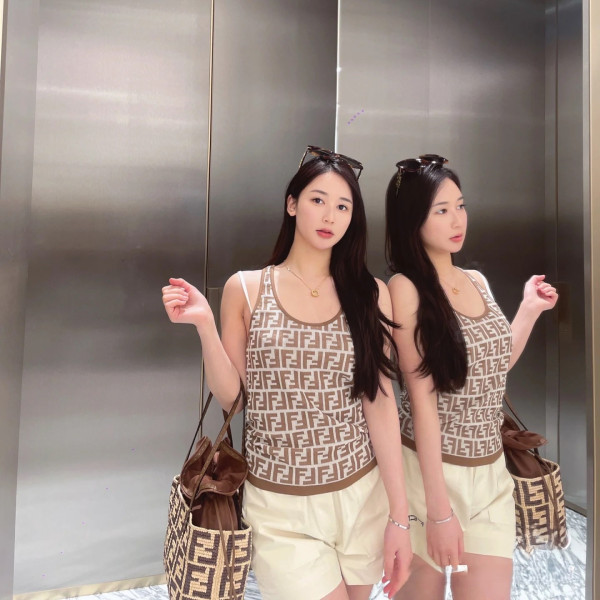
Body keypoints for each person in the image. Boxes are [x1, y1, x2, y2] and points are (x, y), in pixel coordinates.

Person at [162, 146, 413, 600]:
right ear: (292, 204)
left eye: (343, 206)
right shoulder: (246, 288)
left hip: (363, 497)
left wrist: (400, 516)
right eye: (318, 200)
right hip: (281, 509)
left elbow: (380, 405)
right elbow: (234, 399)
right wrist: (204, 326)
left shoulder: (369, 293)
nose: (330, 216)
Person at [384, 154, 558, 600]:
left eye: (460, 206)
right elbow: (422, 401)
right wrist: (439, 512)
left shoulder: (476, 279)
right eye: (441, 210)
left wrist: (529, 310)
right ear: (413, 220)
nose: (457, 219)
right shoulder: (405, 288)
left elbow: (489, 369)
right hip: (428, 476)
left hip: (490, 475)